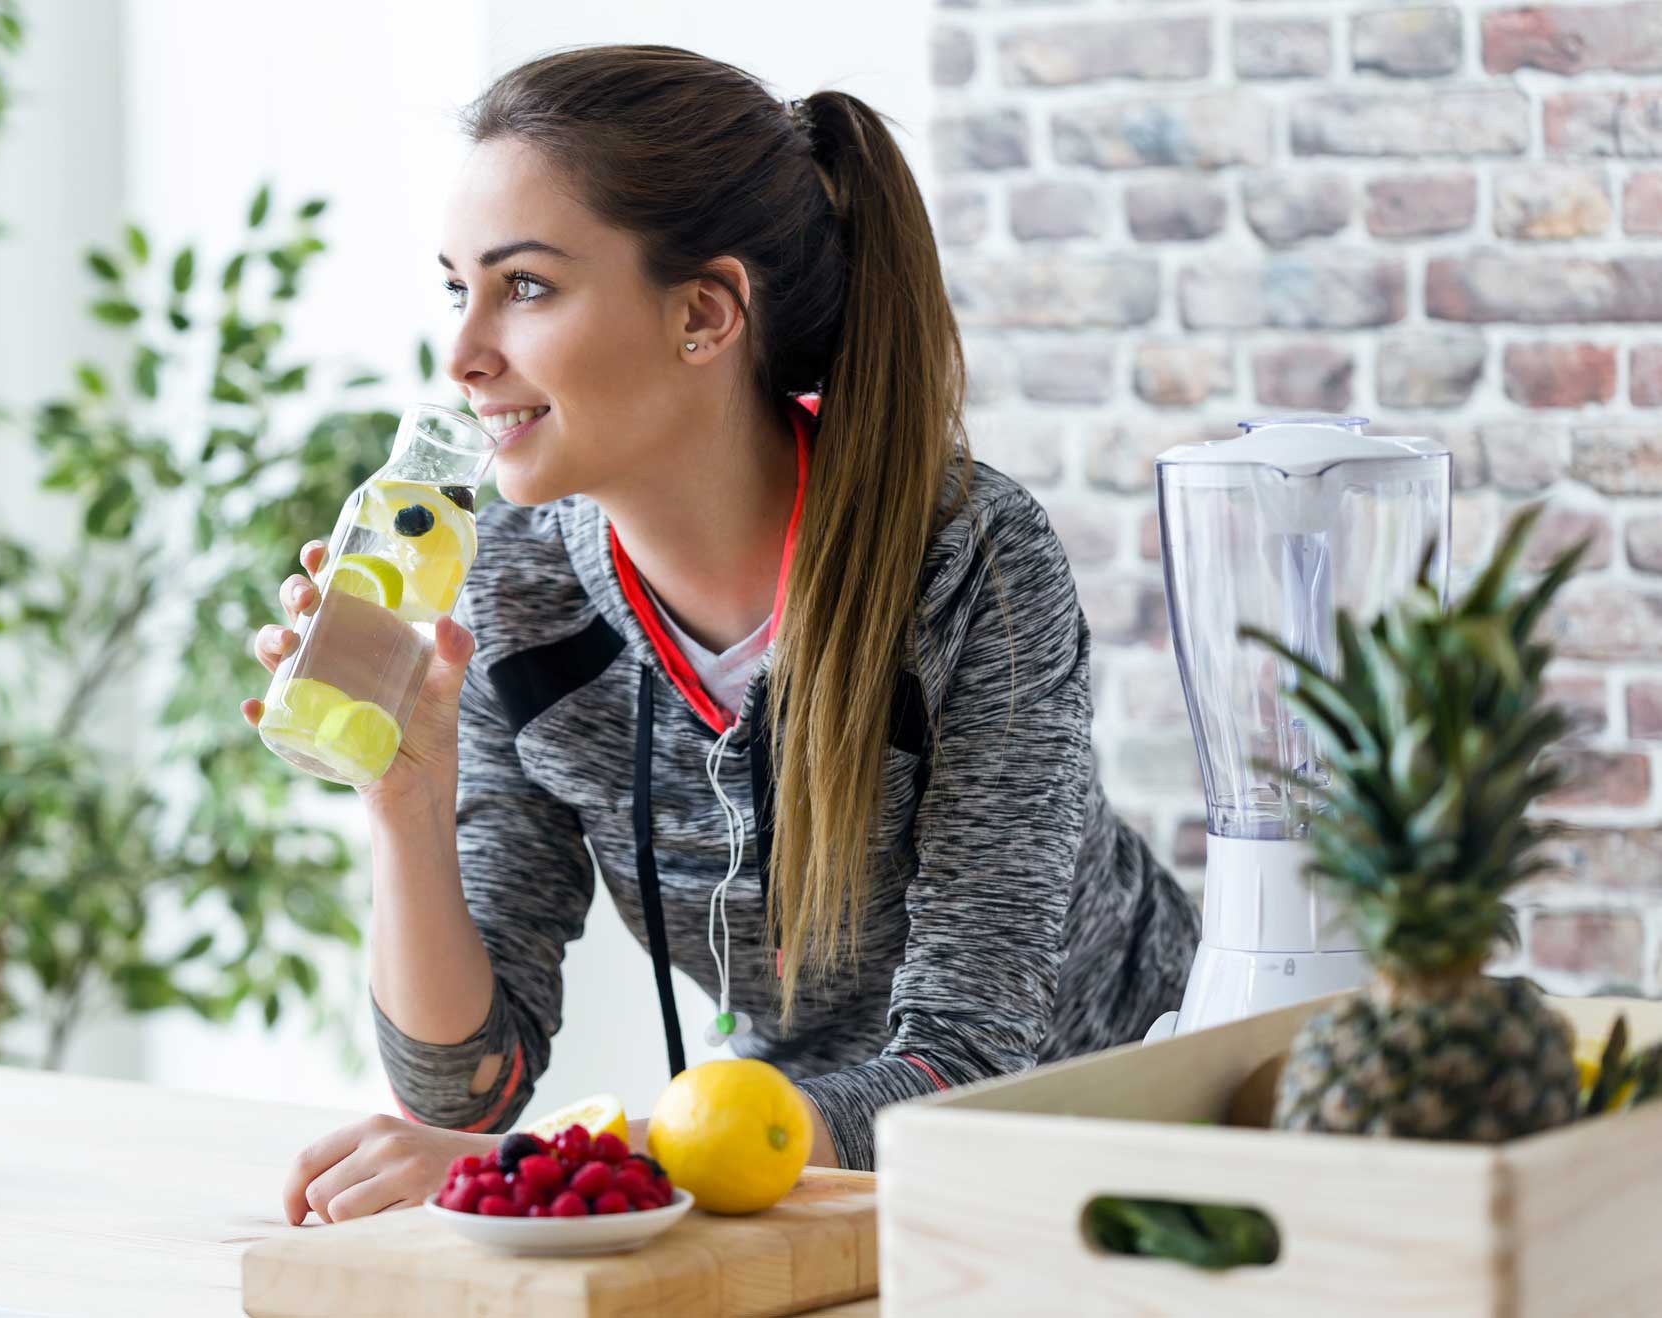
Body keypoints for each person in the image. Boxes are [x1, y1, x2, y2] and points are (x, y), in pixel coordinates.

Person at [243, 44, 1199, 1226]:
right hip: (804, 1182)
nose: (461, 354)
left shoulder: (963, 557)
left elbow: (972, 1066)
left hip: (1139, 1158)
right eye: (457, 288)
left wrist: (576, 1162)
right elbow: (470, 1090)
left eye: (525, 287)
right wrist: (404, 792)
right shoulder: (515, 588)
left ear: (703, 313)